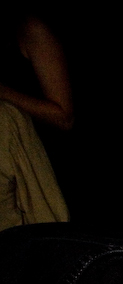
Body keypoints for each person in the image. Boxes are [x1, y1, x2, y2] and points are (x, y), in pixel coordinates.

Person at [1, 10, 71, 230]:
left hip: (49, 164)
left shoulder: (30, 28)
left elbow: (64, 117)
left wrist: (5, 93)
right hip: (13, 172)